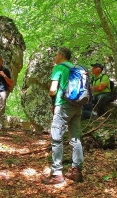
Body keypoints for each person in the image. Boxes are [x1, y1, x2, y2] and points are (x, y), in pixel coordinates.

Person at [42, 48, 84, 185]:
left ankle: (57, 174)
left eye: (55, 54)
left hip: (63, 105)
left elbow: (53, 90)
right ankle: (76, 171)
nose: (54, 57)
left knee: (56, 138)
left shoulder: (59, 68)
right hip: (78, 106)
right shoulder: (76, 68)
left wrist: (52, 97)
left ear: (61, 55)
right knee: (76, 138)